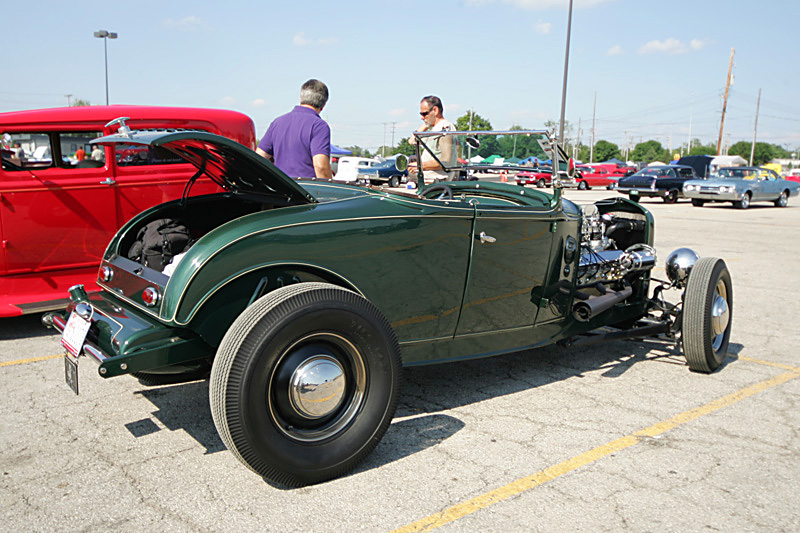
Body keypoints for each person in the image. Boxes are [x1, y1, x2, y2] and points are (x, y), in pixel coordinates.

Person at [255, 79, 333, 180]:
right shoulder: (319, 126)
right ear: (323, 105)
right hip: (307, 191)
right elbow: (321, 167)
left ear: (301, 98)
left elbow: (259, 158)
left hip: (281, 189)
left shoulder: (277, 122)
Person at [407, 95, 457, 182]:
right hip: (429, 182)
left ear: (435, 110)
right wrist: (426, 124)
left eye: (424, 113)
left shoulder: (445, 128)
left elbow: (445, 161)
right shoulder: (434, 129)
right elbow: (411, 141)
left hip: (439, 182)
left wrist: (420, 165)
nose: (422, 117)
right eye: (421, 114)